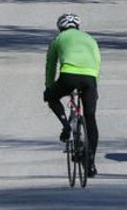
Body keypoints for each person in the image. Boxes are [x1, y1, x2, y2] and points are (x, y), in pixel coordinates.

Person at [43, 12, 101, 177]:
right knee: (90, 118)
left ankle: (66, 126)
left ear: (60, 28)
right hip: (90, 78)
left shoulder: (57, 40)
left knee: (53, 98)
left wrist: (49, 88)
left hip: (68, 75)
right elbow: (97, 62)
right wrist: (94, 88)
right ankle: (91, 162)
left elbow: (51, 65)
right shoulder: (90, 39)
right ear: (78, 27)